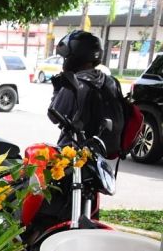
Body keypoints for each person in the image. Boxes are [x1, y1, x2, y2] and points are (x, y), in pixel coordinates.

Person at [48, 30, 130, 158]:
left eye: (66, 58)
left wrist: (57, 90)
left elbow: (53, 116)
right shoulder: (111, 81)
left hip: (73, 154)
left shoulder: (75, 83)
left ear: (74, 58)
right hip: (100, 153)